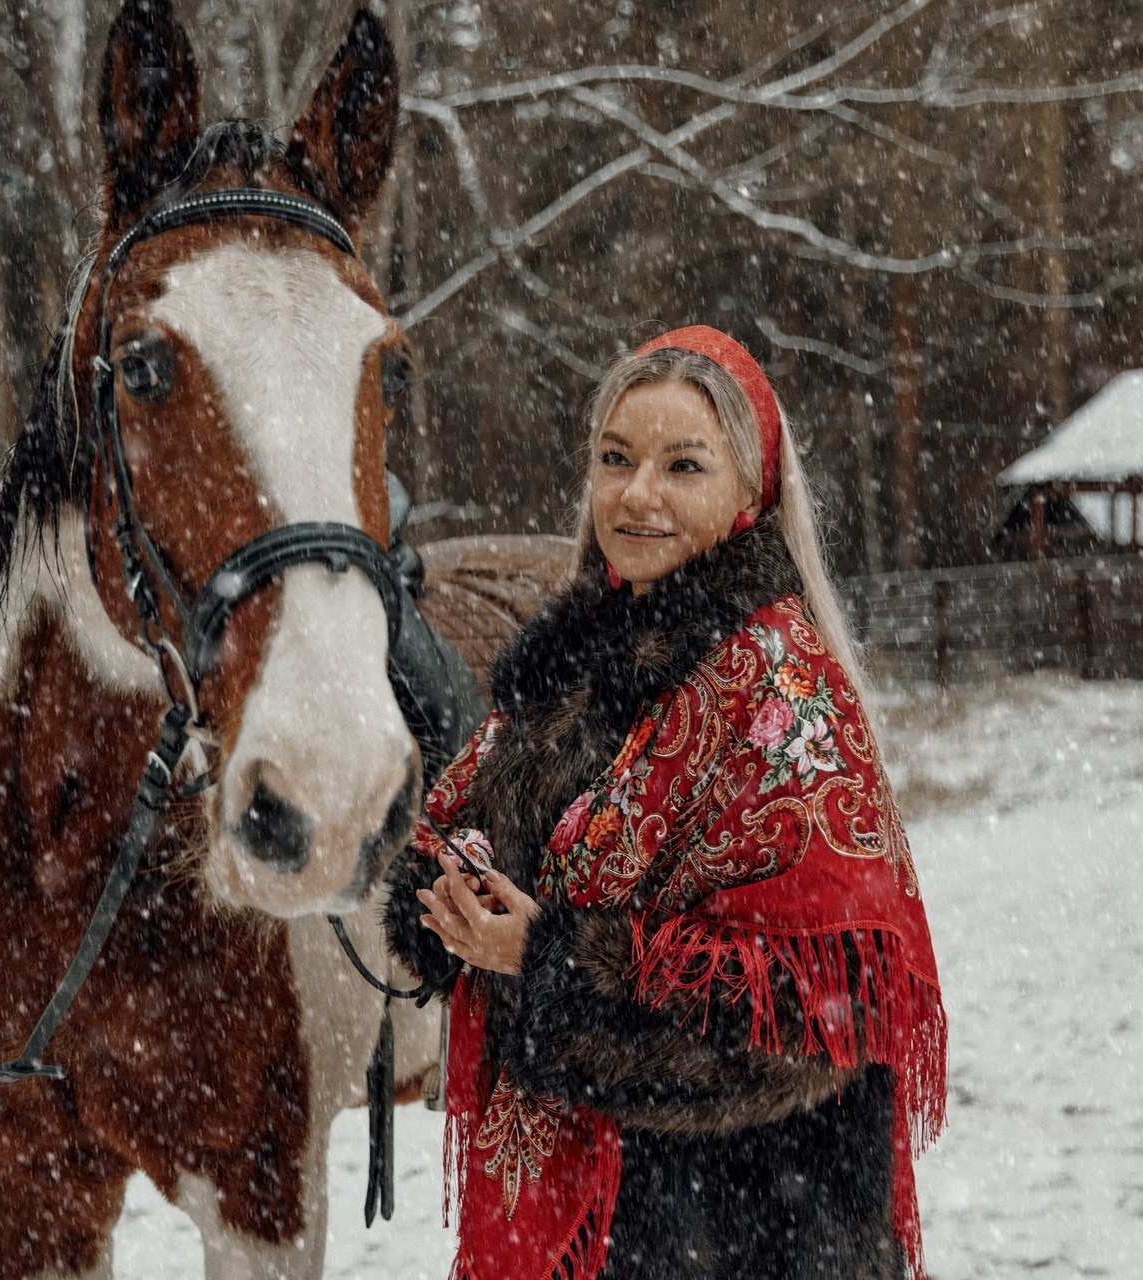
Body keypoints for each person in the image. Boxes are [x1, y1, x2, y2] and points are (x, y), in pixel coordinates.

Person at [384, 326, 946, 1280]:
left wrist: (550, 959)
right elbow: (463, 834)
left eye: (682, 465)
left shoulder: (780, 688)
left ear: (749, 489)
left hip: (750, 1225)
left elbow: (822, 1015)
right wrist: (448, 909)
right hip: (621, 1228)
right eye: (615, 459)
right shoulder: (566, 669)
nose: (636, 495)